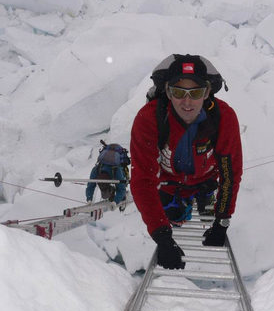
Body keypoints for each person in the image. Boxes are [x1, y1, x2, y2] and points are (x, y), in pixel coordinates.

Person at [130, 54, 243, 270]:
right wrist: (162, 236)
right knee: (174, 216)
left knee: (206, 207)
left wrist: (222, 221)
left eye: (196, 92)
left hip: (205, 179)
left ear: (208, 92)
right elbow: (142, 179)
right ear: (168, 92)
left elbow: (230, 173)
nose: (187, 102)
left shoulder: (223, 117)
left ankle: (202, 198)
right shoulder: (150, 118)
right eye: (179, 92)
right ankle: (180, 208)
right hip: (170, 183)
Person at [86, 141, 129, 210]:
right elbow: (90, 185)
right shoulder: (96, 170)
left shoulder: (116, 171)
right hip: (109, 168)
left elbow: (121, 189)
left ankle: (122, 197)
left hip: (118, 168)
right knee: (105, 195)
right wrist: (89, 199)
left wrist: (115, 201)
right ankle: (111, 191)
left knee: (122, 184)